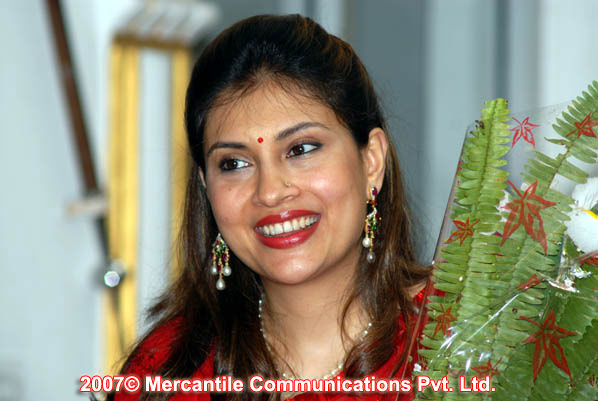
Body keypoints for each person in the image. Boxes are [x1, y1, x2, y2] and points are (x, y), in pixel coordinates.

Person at [110, 13, 431, 401]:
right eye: (234, 163)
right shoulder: (168, 376)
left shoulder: (465, 342)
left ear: (372, 161)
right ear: (206, 187)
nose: (270, 192)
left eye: (301, 149)